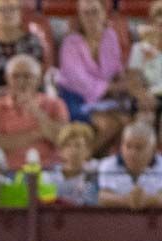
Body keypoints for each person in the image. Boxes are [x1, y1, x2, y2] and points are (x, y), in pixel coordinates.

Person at [56, 0, 143, 152]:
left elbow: (115, 68)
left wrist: (127, 80)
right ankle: (82, 160)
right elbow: (80, 81)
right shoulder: (70, 43)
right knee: (110, 124)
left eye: (94, 12)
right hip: (75, 98)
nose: (90, 17)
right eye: (85, 13)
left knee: (128, 121)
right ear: (80, 17)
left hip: (104, 97)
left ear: (103, 13)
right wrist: (116, 87)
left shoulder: (110, 36)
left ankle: (103, 162)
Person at [0, 55, 68, 170]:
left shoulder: (56, 104)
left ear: (38, 79)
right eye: (16, 76)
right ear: (7, 78)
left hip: (49, 167)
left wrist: (37, 112)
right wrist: (38, 133)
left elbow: (62, 140)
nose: (21, 81)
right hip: (11, 170)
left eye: (27, 76)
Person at [96, 121, 162, 208]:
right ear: (121, 146)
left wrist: (147, 200)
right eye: (128, 146)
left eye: (139, 147)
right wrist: (127, 200)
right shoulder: (107, 165)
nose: (132, 152)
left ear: (153, 149)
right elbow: (102, 197)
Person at [45, 121, 99, 206]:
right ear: (60, 151)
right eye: (67, 145)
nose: (73, 151)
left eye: (78, 145)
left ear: (88, 150)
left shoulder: (97, 170)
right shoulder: (49, 175)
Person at [127, 1, 162, 128]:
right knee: (145, 113)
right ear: (153, 24)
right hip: (147, 98)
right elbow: (132, 81)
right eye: (160, 25)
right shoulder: (139, 49)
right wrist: (144, 96)